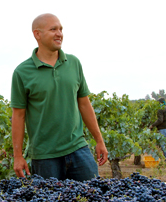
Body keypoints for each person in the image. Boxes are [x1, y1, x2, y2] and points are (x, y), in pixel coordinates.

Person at [11, 13, 108, 182]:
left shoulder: (74, 63)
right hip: (44, 156)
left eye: (61, 29)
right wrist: (18, 156)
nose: (59, 33)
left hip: (78, 148)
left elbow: (84, 104)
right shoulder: (22, 72)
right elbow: (18, 115)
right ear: (37, 34)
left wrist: (99, 140)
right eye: (53, 29)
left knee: (92, 199)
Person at [149, 97, 166, 165]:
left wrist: (152, 125)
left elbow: (160, 120)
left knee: (164, 145)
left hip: (163, 129)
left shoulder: (160, 109)